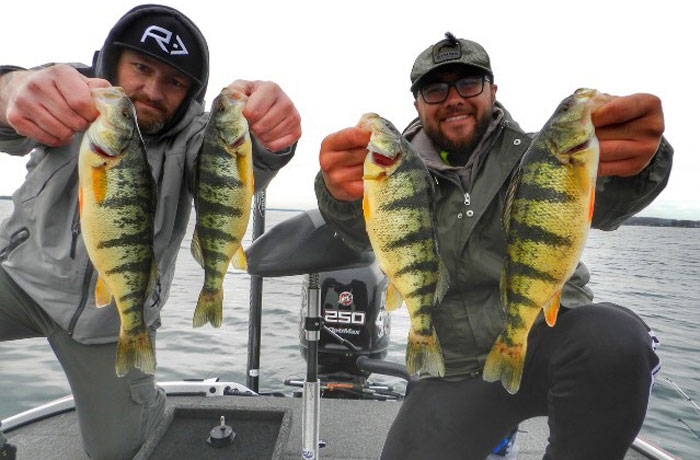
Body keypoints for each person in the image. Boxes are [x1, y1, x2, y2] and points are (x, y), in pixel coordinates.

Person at [315, 32, 670, 460]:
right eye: (435, 88)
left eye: (469, 83)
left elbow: (611, 203)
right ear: (417, 104)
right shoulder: (393, 172)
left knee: (615, 340)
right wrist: (338, 193)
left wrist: (641, 161)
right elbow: (360, 231)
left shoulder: (547, 155)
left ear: (492, 91)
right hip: (454, 366)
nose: (453, 98)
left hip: (551, 338)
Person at [0, 4, 300, 460]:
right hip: (19, 280)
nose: (152, 90)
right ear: (113, 60)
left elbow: (241, 165)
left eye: (174, 81)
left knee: (121, 450)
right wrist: (12, 90)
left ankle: (144, 402)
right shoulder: (73, 93)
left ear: (191, 93)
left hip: (116, 314)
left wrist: (271, 136)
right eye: (141, 67)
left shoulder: (198, 135)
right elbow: (11, 110)